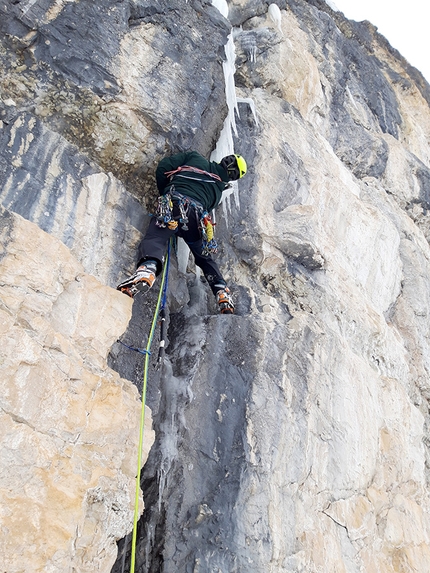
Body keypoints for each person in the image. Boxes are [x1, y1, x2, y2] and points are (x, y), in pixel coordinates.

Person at [117, 151, 247, 314]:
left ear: (223, 160)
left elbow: (164, 167)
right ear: (233, 178)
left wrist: (164, 193)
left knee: (157, 237)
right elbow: (208, 207)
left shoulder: (194, 157)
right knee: (204, 257)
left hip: (174, 205)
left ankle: (148, 269)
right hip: (196, 221)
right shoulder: (218, 192)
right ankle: (221, 291)